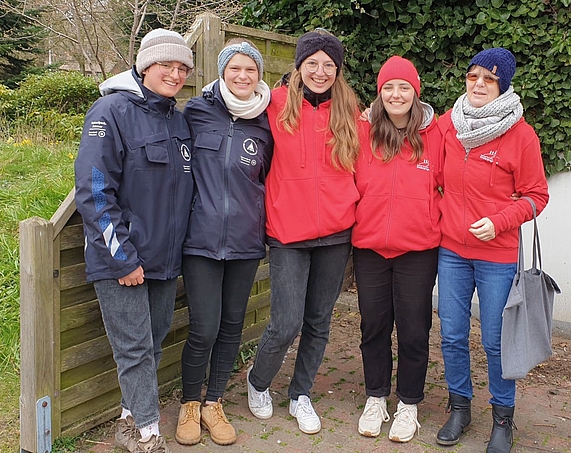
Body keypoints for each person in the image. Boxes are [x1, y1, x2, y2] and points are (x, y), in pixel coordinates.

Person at [74, 29, 194, 453]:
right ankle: (148, 433)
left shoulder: (177, 119)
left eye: (183, 68)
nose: (175, 74)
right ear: (144, 66)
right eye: (167, 65)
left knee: (153, 341)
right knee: (135, 348)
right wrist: (122, 259)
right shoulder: (110, 111)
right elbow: (94, 189)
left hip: (164, 261)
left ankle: (128, 418)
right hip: (121, 261)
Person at [245, 28, 361, 435]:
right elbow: (232, 99)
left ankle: (300, 394)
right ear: (299, 65)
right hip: (287, 233)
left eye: (329, 65)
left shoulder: (349, 108)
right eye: (313, 63)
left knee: (319, 319)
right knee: (286, 321)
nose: (321, 71)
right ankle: (258, 383)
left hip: (336, 231)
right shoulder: (272, 103)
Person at [435, 47, 549, 453]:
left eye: (489, 78)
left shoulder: (520, 134)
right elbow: (414, 140)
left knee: (496, 341)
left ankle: (503, 418)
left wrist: (499, 222)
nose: (479, 84)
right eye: (473, 76)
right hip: (451, 251)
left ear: (503, 85)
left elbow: (538, 196)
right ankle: (459, 408)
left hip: (497, 256)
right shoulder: (449, 125)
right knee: (450, 334)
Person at [173, 39, 273, 446]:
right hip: (199, 240)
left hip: (246, 241)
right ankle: (189, 405)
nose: (243, 76)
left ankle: (214, 403)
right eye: (235, 68)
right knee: (204, 328)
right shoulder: (196, 112)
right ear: (222, 72)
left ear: (260, 75)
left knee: (232, 326)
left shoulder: (267, 122)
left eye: (251, 69)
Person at [352, 56, 442, 443]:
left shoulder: (437, 134)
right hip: (370, 246)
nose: (396, 94)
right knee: (373, 325)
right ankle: (376, 398)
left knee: (413, 328)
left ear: (416, 91)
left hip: (418, 249)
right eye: (388, 87)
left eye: (404, 87)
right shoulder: (361, 131)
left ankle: (408, 403)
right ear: (379, 92)